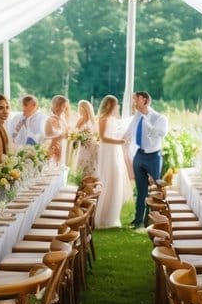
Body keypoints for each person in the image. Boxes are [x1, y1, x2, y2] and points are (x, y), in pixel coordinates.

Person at [125, 90, 168, 229]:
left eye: (135, 100)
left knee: (155, 191)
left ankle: (152, 220)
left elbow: (159, 134)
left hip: (153, 157)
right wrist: (117, 141)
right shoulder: (137, 116)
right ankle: (138, 220)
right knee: (140, 189)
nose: (134, 103)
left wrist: (146, 119)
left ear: (144, 100)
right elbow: (129, 131)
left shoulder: (160, 118)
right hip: (139, 155)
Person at [94, 95, 129, 228]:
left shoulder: (115, 120)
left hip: (115, 151)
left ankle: (112, 217)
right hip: (108, 151)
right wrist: (119, 142)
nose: (118, 106)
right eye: (116, 104)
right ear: (109, 105)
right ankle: (102, 217)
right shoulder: (103, 119)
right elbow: (103, 137)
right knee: (108, 179)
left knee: (116, 180)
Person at [71, 99, 98, 178]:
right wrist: (78, 137)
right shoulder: (81, 120)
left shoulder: (92, 121)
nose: (78, 109)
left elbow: (95, 134)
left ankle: (89, 185)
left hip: (90, 147)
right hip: (83, 147)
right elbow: (74, 132)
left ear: (83, 108)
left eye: (80, 107)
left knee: (90, 166)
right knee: (82, 167)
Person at [43, 95, 71, 165]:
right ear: (57, 106)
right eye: (64, 106)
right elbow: (47, 136)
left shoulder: (62, 118)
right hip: (52, 149)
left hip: (62, 148)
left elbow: (65, 133)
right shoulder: (49, 119)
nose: (65, 109)